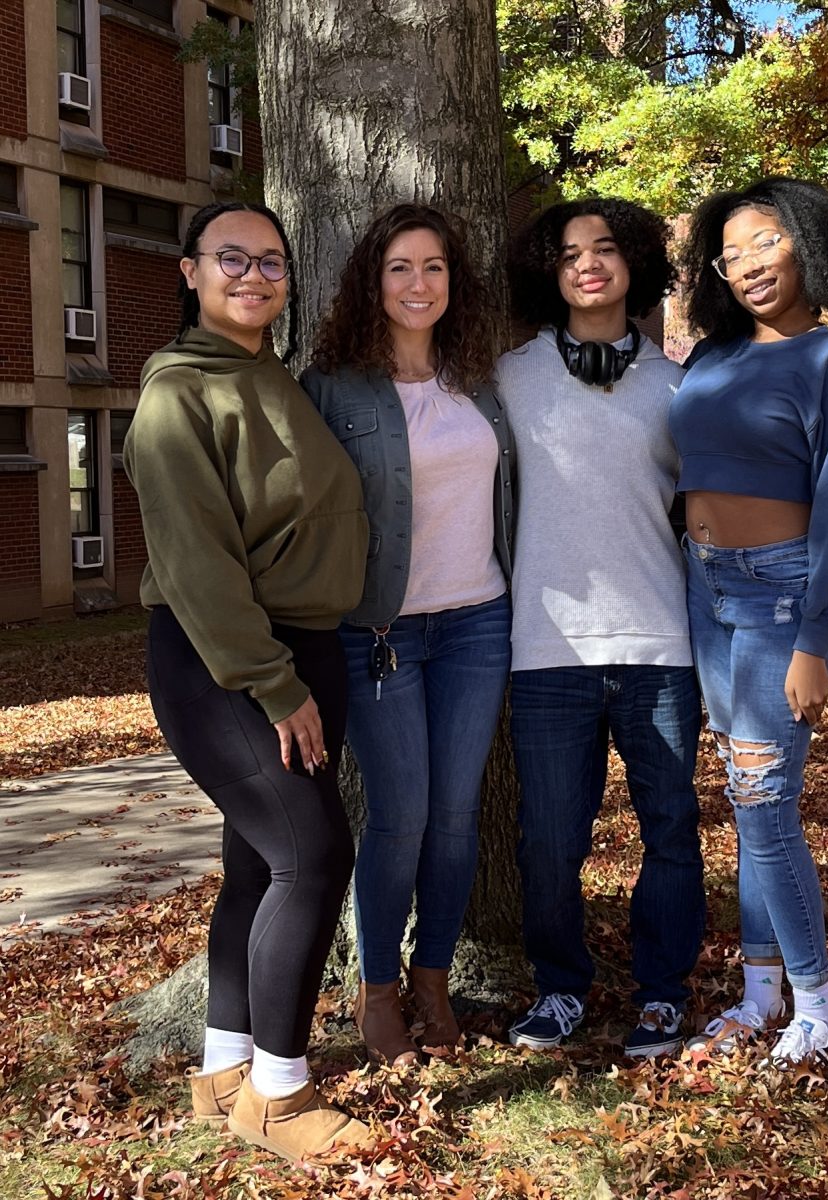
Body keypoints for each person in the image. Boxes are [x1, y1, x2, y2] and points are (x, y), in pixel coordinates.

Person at [124, 201, 371, 1161]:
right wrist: (271, 682)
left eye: (270, 261)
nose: (254, 275)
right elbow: (195, 563)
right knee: (313, 858)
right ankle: (279, 1096)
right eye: (231, 259)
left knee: (260, 866)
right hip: (227, 658)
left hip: (301, 647)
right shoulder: (176, 394)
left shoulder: (271, 375)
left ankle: (226, 1065)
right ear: (189, 272)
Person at [671, 177, 828, 1068]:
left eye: (763, 241)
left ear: (806, 242)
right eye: (729, 252)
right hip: (702, 587)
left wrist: (814, 643)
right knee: (745, 801)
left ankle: (818, 1008)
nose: (746, 264)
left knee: (766, 806)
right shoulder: (708, 358)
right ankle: (760, 995)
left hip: (777, 597)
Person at [301, 203, 514, 1067]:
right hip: (379, 631)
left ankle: (433, 979)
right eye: (399, 267)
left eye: (432, 267)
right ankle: (378, 987)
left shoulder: (482, 381)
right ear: (371, 282)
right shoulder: (331, 387)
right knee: (402, 816)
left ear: (451, 282)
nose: (417, 283)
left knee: (458, 819)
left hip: (479, 622)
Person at [497, 198, 706, 1059]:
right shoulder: (507, 377)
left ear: (636, 265)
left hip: (659, 646)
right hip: (544, 652)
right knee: (548, 837)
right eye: (570, 252)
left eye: (607, 249)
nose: (589, 264)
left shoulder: (676, 387)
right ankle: (559, 987)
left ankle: (662, 994)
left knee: (669, 827)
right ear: (548, 271)